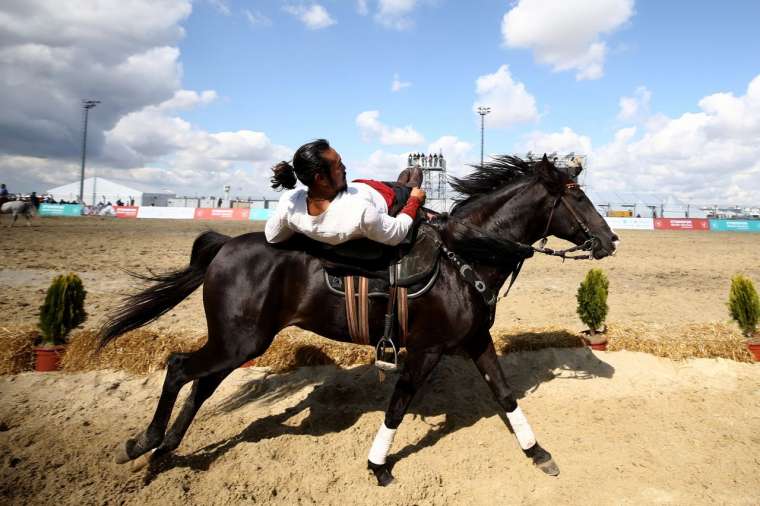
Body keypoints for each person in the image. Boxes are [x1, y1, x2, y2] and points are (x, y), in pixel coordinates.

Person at [265, 139, 425, 246]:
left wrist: (300, 228)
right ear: (320, 178)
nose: (345, 168)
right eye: (339, 165)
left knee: (405, 176)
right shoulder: (361, 213)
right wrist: (414, 201)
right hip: (389, 197)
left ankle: (403, 184)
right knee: (415, 174)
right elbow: (397, 233)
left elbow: (272, 236)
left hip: (361, 186)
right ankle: (408, 187)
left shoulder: (289, 203)